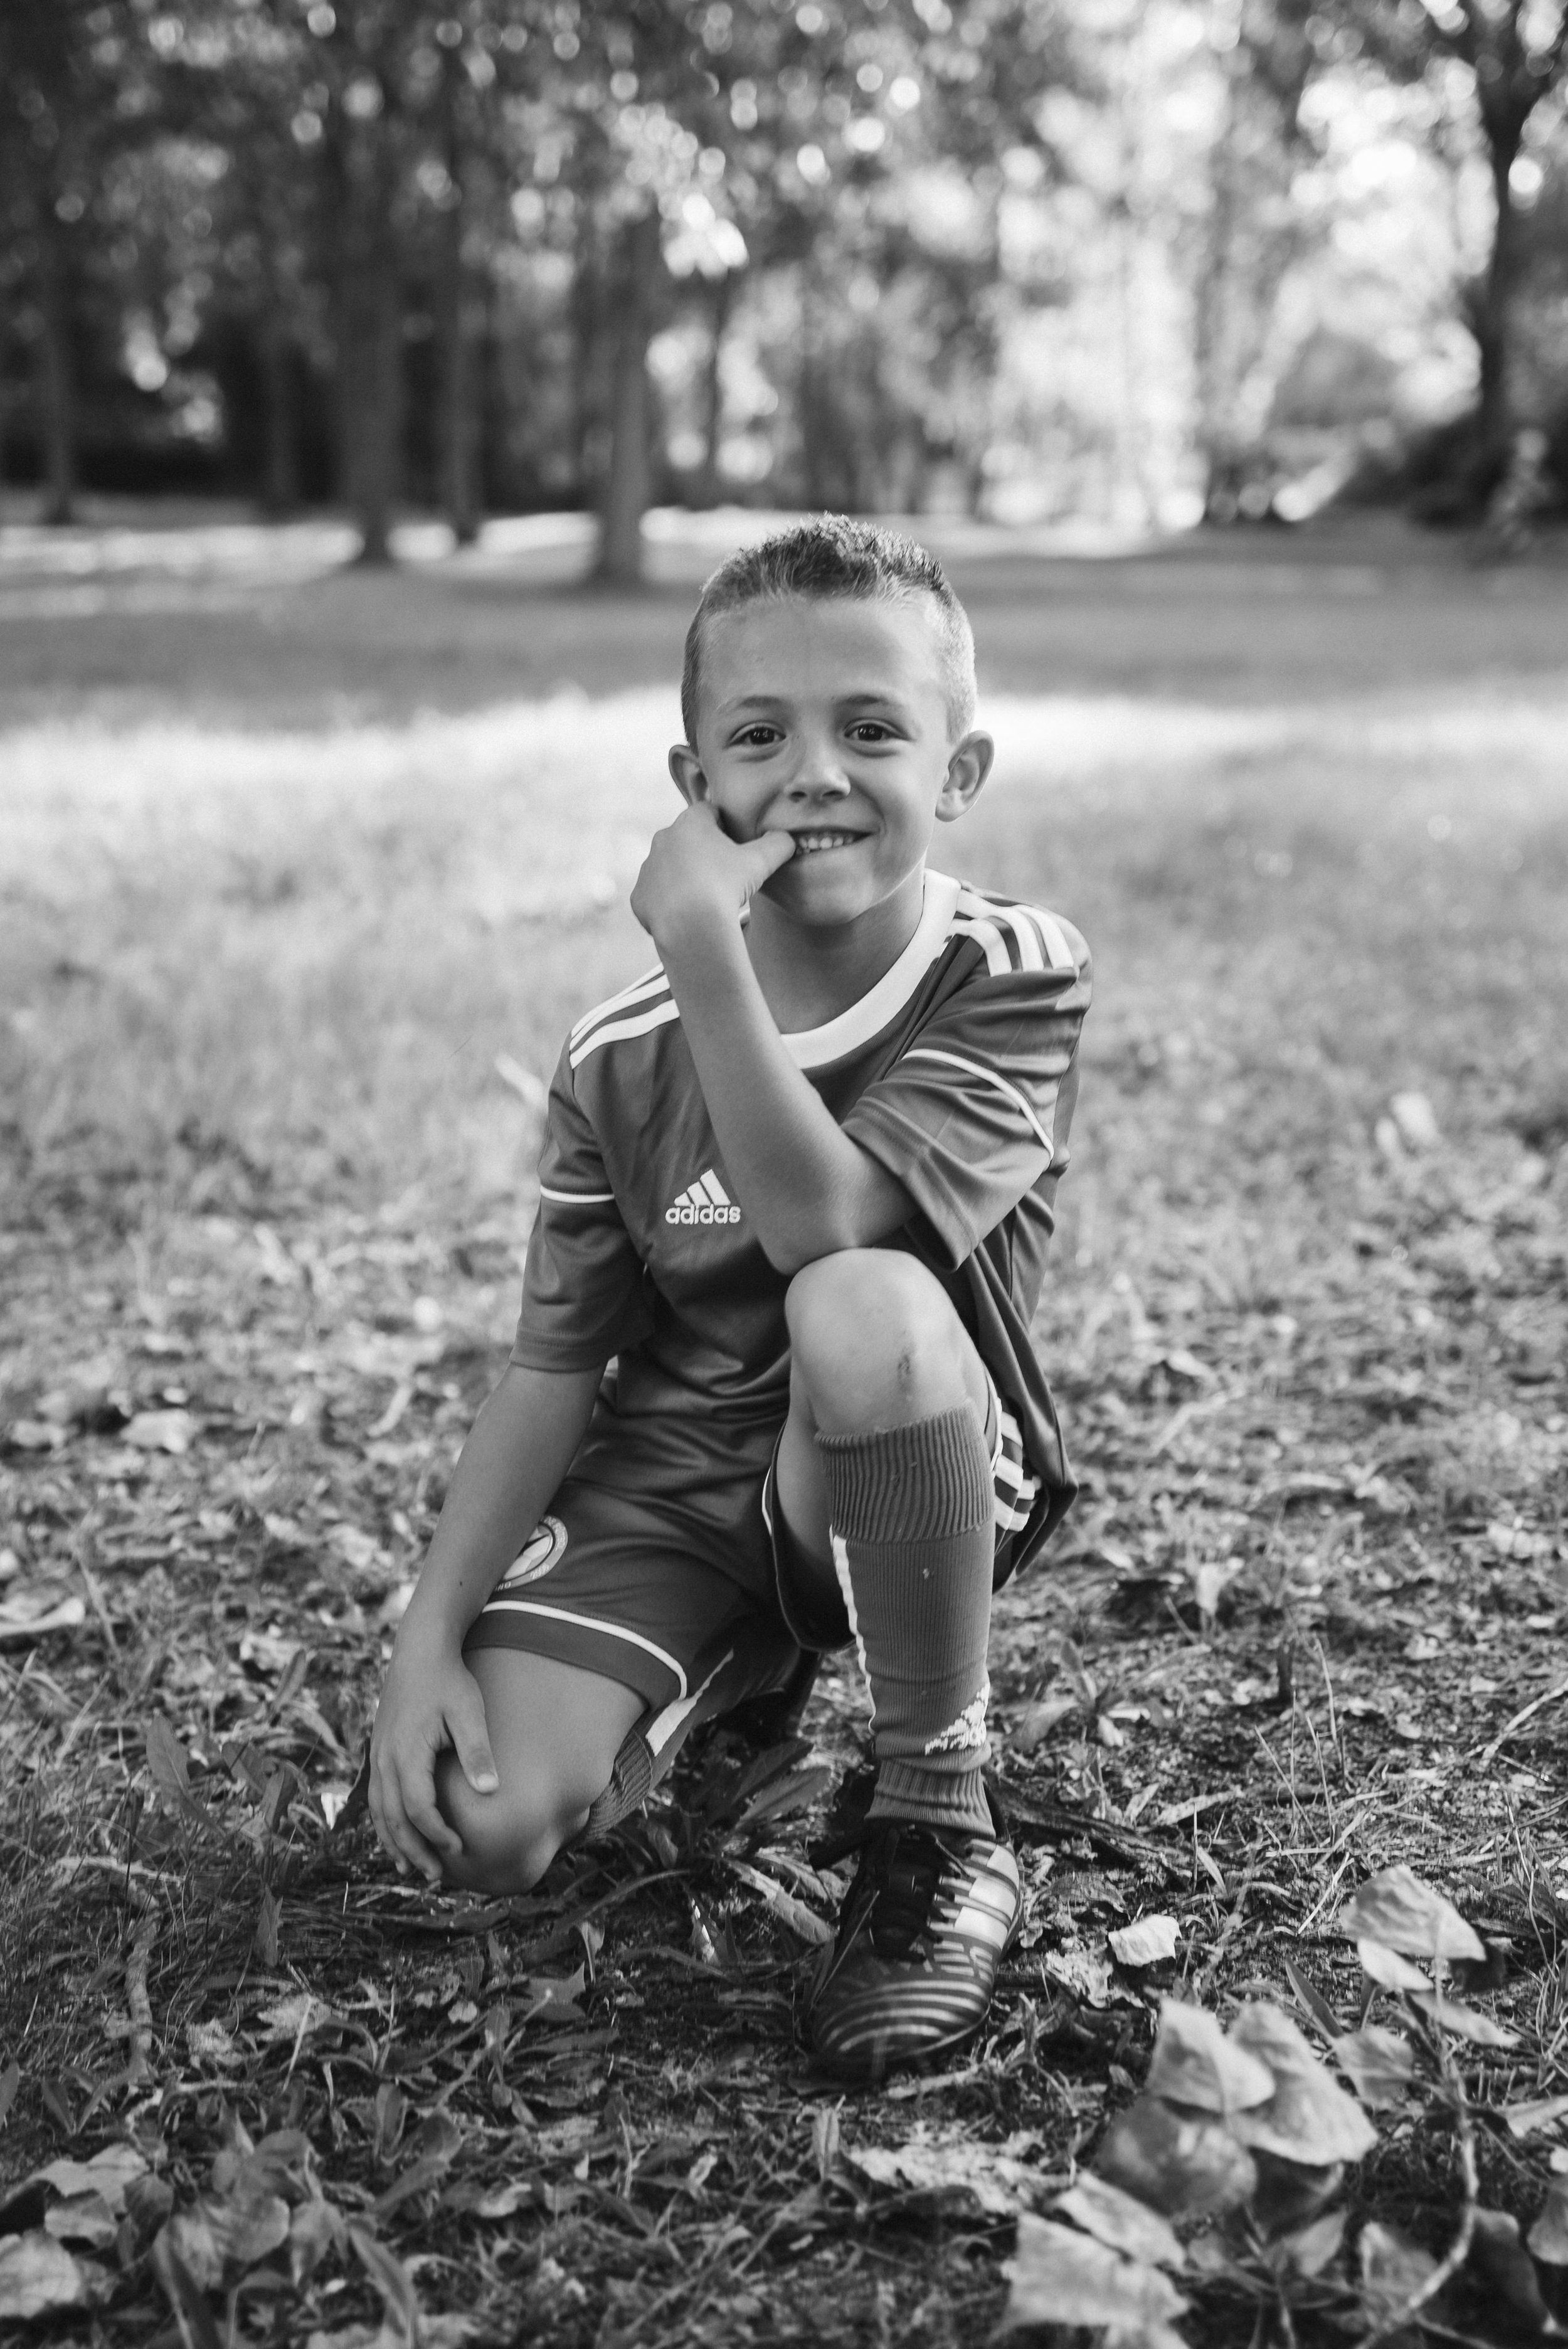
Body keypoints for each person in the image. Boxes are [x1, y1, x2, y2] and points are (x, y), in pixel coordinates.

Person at [368, 516, 1091, 2081]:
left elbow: (823, 1217)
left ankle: (933, 1814)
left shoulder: (1008, 969)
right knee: (481, 1828)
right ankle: (740, 1674)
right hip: (681, 1474)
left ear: (958, 774)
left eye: (872, 729)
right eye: (758, 735)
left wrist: (703, 938)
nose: (813, 773)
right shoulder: (614, 1052)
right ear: (695, 782)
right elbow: (552, 1367)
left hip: (911, 1441)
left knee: (857, 1304)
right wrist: (423, 1638)